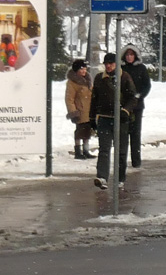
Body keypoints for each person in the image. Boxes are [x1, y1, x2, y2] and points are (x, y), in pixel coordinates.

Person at [90, 52, 138, 189]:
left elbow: (133, 97)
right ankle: (102, 177)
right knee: (104, 149)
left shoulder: (125, 77)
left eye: (111, 63)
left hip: (121, 120)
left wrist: (125, 111)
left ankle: (119, 178)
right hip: (104, 119)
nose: (108, 66)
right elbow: (94, 99)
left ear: (116, 64)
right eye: (106, 64)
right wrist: (92, 118)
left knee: (121, 151)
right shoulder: (99, 78)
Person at [120, 44, 152, 168]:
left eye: (131, 55)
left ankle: (136, 160)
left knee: (135, 133)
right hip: (123, 106)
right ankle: (122, 160)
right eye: (127, 55)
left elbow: (147, 85)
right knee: (123, 134)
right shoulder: (121, 69)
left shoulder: (141, 68)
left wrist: (140, 96)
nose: (129, 57)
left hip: (137, 106)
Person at [64, 58, 94, 159]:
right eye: (81, 69)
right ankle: (77, 151)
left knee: (87, 131)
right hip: (80, 111)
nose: (84, 71)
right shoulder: (72, 82)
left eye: (85, 69)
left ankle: (86, 150)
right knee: (79, 131)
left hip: (88, 110)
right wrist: (73, 112)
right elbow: (69, 98)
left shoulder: (88, 80)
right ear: (76, 70)